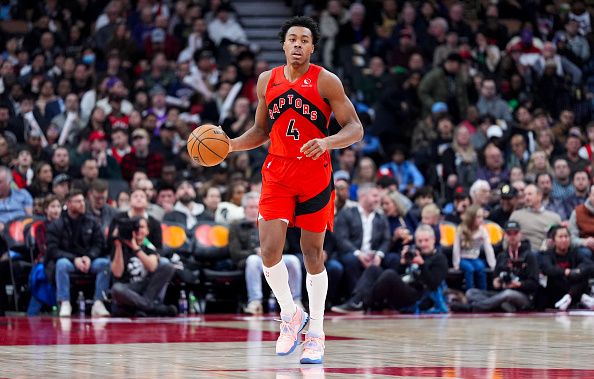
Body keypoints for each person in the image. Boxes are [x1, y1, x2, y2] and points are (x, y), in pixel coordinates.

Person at [227, 16, 363, 364]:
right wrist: (229, 146)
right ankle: (291, 315)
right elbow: (260, 131)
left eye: (305, 40)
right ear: (284, 44)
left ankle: (316, 331)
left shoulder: (326, 81)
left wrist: (328, 141)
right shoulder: (266, 81)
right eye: (293, 39)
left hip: (315, 174)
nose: (298, 44)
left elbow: (355, 128)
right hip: (277, 172)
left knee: (312, 254)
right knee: (268, 252)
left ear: (313, 47)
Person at [229, 192, 302, 314]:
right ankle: (255, 302)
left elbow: (285, 246)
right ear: (244, 209)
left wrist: (269, 250)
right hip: (252, 259)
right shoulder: (236, 226)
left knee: (293, 260)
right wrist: (254, 252)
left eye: (256, 207)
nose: (254, 210)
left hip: (274, 256)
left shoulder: (272, 222)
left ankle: (296, 301)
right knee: (253, 260)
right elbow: (234, 253)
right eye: (250, 207)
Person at [45, 190, 110, 317]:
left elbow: (99, 244)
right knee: (61, 264)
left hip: (88, 261)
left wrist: (89, 257)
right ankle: (64, 302)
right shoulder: (57, 225)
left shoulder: (93, 222)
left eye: (83, 201)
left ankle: (99, 302)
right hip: (69, 261)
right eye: (78, 201)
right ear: (69, 204)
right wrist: (74, 259)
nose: (82, 204)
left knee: (104, 263)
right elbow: (53, 250)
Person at [451, 221, 538, 312]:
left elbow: (534, 283)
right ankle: (500, 306)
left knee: (508, 294)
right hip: (501, 293)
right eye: (509, 233)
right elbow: (495, 280)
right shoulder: (502, 256)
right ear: (505, 235)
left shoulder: (529, 256)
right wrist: (497, 282)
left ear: (520, 235)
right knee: (471, 293)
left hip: (522, 295)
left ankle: (473, 308)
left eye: (515, 233)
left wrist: (519, 284)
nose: (512, 236)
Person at [110, 217, 178, 317]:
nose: (138, 230)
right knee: (116, 289)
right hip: (129, 289)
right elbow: (117, 273)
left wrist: (135, 247)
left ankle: (139, 308)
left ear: (147, 231)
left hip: (147, 288)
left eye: (141, 227)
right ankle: (152, 308)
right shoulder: (119, 246)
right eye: (135, 227)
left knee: (168, 267)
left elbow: (152, 267)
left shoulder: (149, 247)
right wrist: (119, 245)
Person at [453, 205, 496, 290]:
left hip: (475, 258)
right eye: (478, 217)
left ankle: (483, 292)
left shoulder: (482, 231)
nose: (481, 219)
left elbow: (488, 248)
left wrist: (492, 264)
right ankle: (470, 293)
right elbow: (456, 248)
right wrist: (456, 263)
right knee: (470, 269)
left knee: (481, 268)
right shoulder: (461, 229)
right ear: (471, 218)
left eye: (482, 217)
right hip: (463, 258)